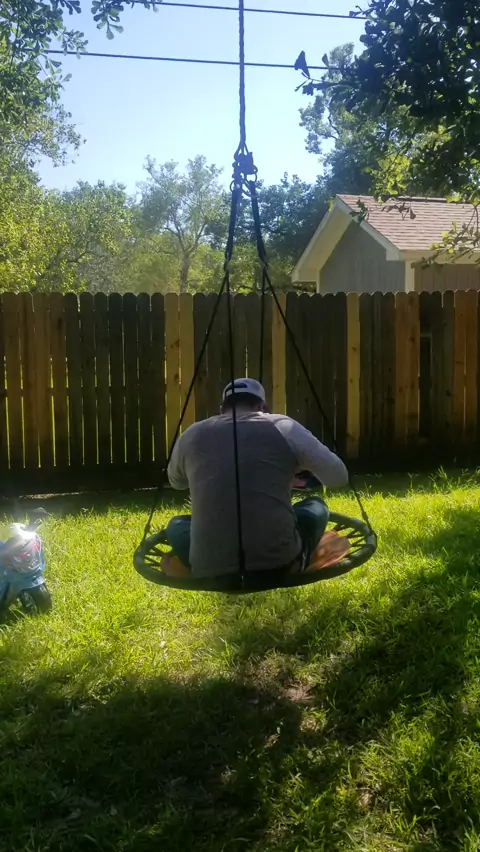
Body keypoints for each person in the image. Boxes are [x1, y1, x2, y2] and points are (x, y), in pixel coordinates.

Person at [164, 378, 348, 578]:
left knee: (176, 525)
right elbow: (338, 477)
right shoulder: (283, 426)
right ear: (262, 407)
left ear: (222, 409)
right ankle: (296, 554)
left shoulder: (192, 433)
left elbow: (176, 482)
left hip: (209, 570)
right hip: (279, 564)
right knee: (316, 506)